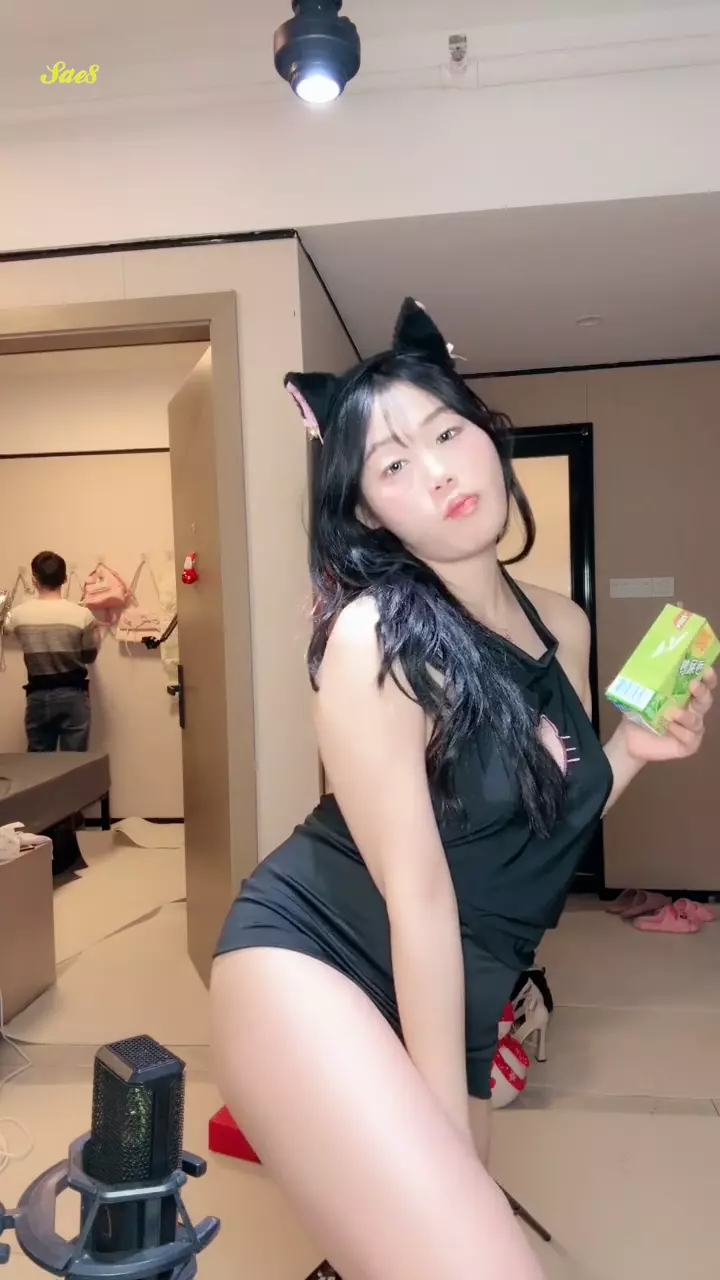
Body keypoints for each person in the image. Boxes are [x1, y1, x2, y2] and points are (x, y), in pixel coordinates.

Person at [211, 299, 714, 1280]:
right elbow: (419, 896)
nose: (437, 470)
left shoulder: (563, 624)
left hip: (465, 984)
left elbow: (537, 822)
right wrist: (448, 1131)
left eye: (445, 432)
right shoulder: (378, 639)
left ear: (485, 432)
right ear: (369, 510)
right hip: (317, 958)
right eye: (393, 464)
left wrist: (632, 750)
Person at [6, 550, 99, 752]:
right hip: (73, 696)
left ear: (34, 580)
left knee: (39, 764)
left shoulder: (17, 615)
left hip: (37, 697)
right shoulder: (83, 615)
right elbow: (89, 656)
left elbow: (7, 631)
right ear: (64, 579)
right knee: (74, 764)